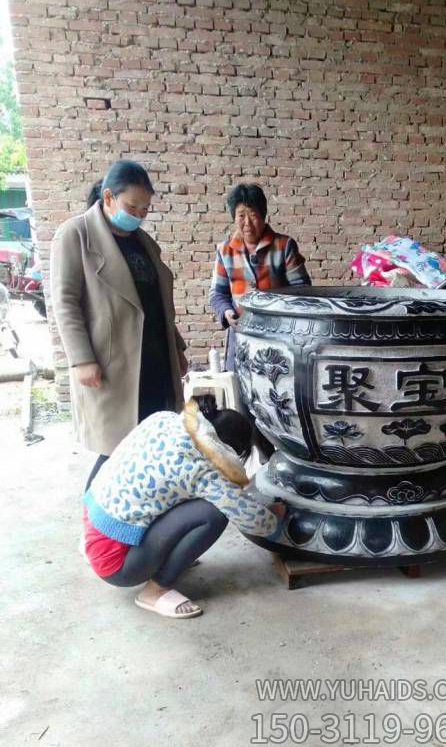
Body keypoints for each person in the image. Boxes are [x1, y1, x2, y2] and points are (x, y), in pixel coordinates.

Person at [50, 160, 189, 490]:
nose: (139, 214)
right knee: (116, 452)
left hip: (154, 359)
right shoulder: (76, 234)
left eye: (144, 208)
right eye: (132, 206)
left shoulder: (143, 243)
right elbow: (64, 301)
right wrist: (82, 358)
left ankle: (139, 521)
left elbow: (158, 305)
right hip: (114, 363)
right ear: (109, 197)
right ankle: (96, 527)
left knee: (152, 442)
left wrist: (177, 349)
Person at [82, 397, 286, 619]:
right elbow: (252, 520)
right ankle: (156, 590)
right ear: (231, 450)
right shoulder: (202, 469)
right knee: (213, 514)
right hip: (116, 564)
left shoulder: (164, 419)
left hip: (95, 525)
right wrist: (274, 519)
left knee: (183, 494)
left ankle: (163, 558)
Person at [209, 183, 311, 370]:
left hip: (280, 334)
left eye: (253, 215)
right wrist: (226, 311)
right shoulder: (224, 251)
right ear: (234, 217)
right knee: (240, 388)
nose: (247, 223)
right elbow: (218, 293)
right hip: (240, 333)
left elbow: (302, 290)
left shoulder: (283, 245)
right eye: (241, 216)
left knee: (277, 386)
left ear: (263, 216)